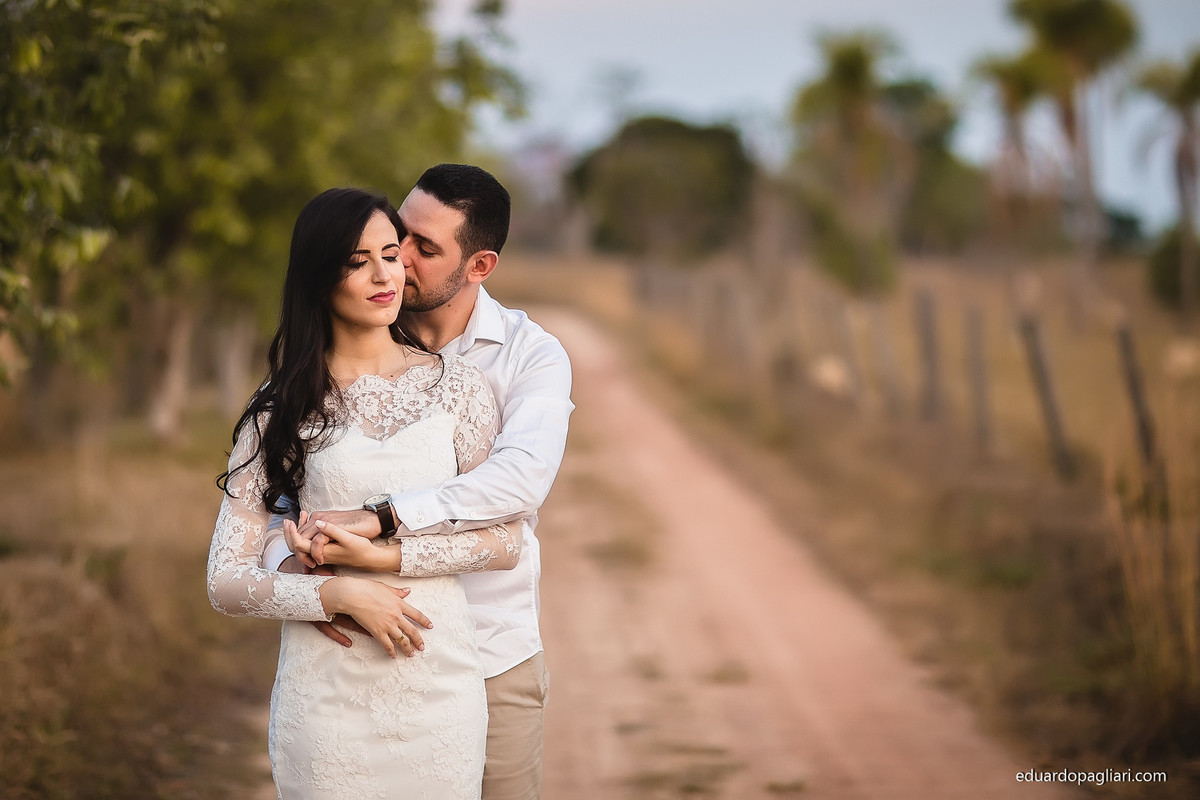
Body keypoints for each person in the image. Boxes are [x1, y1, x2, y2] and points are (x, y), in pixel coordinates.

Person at [266, 164, 574, 800]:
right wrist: (306, 574)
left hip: (488, 653)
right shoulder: (351, 341)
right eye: (398, 236)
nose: (397, 262)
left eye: (424, 250)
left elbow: (519, 480)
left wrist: (385, 519)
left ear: (479, 266)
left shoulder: (528, 355)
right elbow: (282, 503)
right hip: (351, 658)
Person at [207, 186, 524, 799]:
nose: (386, 274)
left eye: (390, 253)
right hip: (327, 699)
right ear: (320, 278)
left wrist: (388, 559)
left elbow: (505, 540)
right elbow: (225, 580)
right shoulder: (279, 409)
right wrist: (332, 592)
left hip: (439, 687)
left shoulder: (458, 390)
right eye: (358, 262)